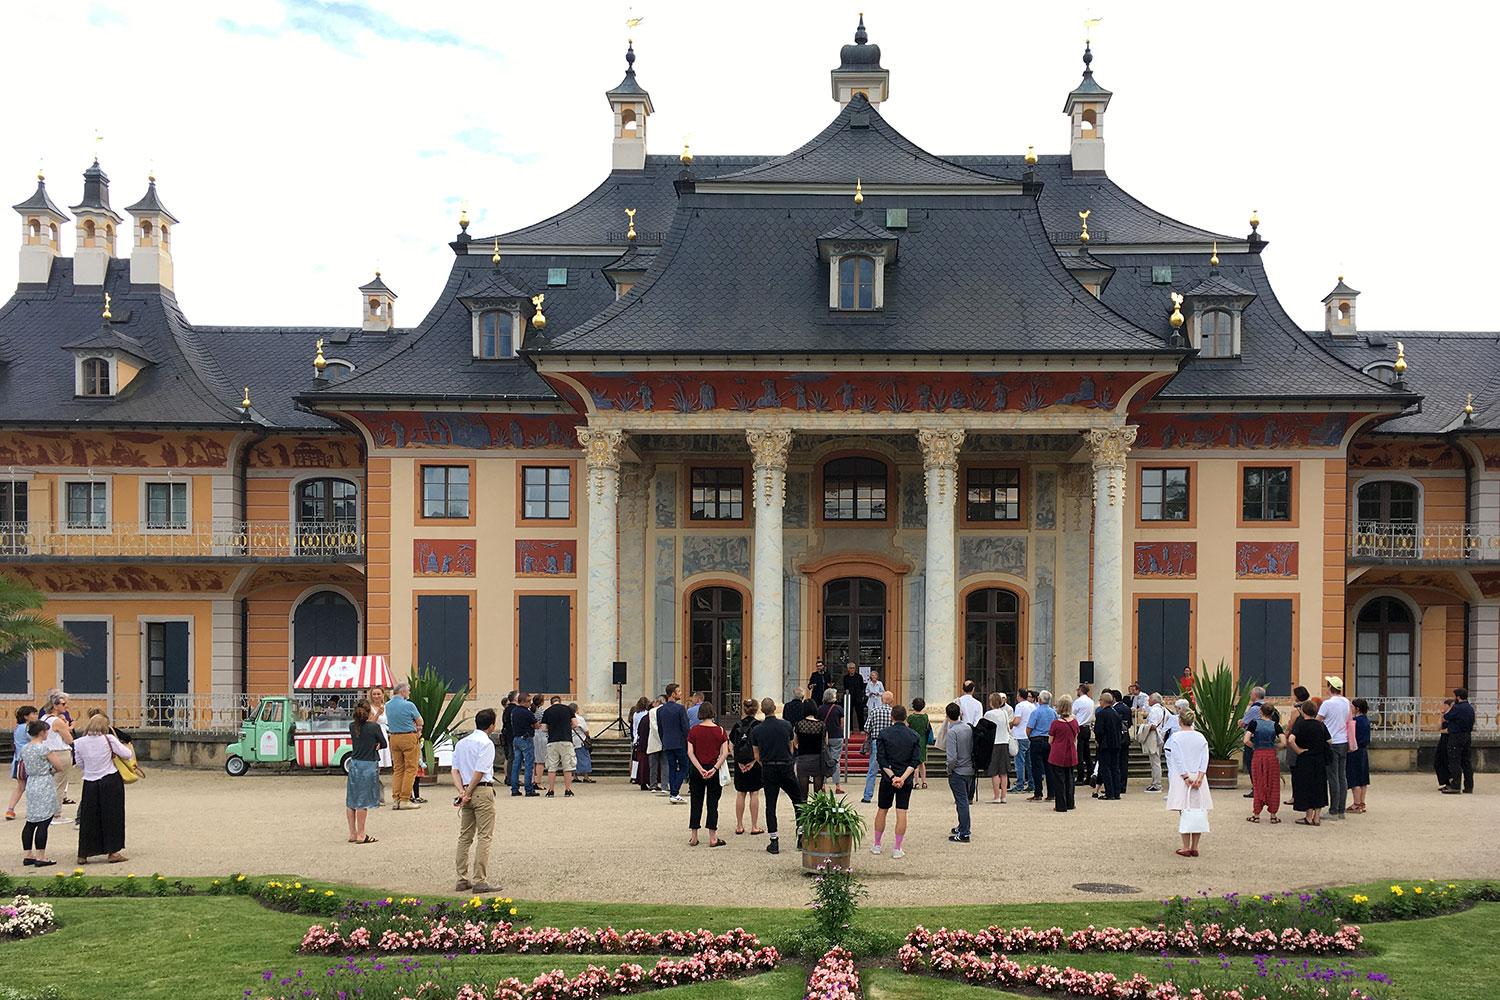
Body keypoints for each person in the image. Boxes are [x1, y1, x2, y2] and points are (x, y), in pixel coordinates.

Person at [72, 714, 133, 864]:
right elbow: (127, 754)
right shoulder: (109, 739)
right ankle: (113, 851)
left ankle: (84, 853)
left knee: (89, 817)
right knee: (113, 816)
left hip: (90, 781)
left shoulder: (78, 742)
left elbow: (79, 763)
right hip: (109, 778)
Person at [452, 707, 498, 893]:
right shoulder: (486, 743)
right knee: (484, 836)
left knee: (465, 836)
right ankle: (480, 880)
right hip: (481, 790)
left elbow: (455, 770)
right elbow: (480, 771)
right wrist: (469, 791)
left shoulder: (462, 743)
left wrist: (462, 792)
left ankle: (461, 878)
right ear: (492, 725)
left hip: (466, 789)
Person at [751, 698, 801, 854]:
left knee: (770, 805)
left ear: (762, 710)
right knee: (798, 801)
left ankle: (774, 841)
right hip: (785, 765)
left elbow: (756, 755)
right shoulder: (786, 725)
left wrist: (765, 764)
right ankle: (801, 836)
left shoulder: (757, 730)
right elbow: (792, 748)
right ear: (774, 707)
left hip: (768, 767)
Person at [871, 703, 921, 859]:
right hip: (905, 778)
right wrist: (902, 778)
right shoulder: (914, 736)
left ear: (891, 717)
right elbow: (915, 761)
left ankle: (877, 844)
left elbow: (881, 758)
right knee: (901, 812)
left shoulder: (884, 734)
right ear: (906, 717)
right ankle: (897, 847)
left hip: (888, 777)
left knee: (882, 810)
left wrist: (892, 776)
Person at [17, 720, 67, 867]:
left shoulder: (25, 749)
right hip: (44, 782)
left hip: (32, 782)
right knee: (44, 821)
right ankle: (41, 855)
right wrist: (50, 770)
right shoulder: (44, 749)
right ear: (41, 732)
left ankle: (28, 854)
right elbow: (59, 766)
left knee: (31, 821)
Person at [1165, 707, 1211, 856]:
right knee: (1196, 810)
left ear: (1179, 720)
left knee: (1185, 810)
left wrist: (1185, 777)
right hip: (1198, 775)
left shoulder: (1176, 737)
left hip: (1183, 776)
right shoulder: (1201, 737)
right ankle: (1195, 846)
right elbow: (1205, 758)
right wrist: (1200, 776)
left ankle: (1186, 846)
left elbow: (1177, 758)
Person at [686, 701, 730, 847]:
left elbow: (690, 753)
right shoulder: (721, 731)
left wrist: (699, 768)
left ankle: (694, 836)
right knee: (713, 803)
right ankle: (712, 837)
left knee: (696, 802)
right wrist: (715, 768)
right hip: (713, 769)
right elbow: (725, 753)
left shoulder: (694, 731)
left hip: (697, 770)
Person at [344, 698, 385, 843]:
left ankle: (353, 833)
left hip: (355, 764)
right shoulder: (374, 727)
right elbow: (384, 743)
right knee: (363, 801)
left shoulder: (351, 726)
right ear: (368, 713)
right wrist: (378, 743)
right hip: (368, 764)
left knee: (351, 800)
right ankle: (362, 834)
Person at [1288, 700, 1329, 825]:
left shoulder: (1300, 725)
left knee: (1307, 786)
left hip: (1305, 758)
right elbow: (1330, 741)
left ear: (1302, 711)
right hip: (1319, 759)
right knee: (1319, 786)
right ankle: (1317, 817)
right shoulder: (1320, 725)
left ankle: (1308, 816)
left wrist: (1299, 750)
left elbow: (1291, 739)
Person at [1317, 677, 1352, 819]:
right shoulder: (1346, 702)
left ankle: (1333, 810)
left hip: (1331, 742)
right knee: (1342, 776)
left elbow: (1318, 721)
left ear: (1330, 687)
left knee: (1332, 777)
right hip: (1343, 740)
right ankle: (1341, 809)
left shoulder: (1327, 704)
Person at [385, 682, 423, 811]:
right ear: (402, 692)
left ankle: (396, 798)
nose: (409, 693)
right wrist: (418, 729)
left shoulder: (388, 705)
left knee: (398, 769)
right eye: (408, 690)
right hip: (408, 736)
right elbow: (420, 721)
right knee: (411, 768)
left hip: (394, 737)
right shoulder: (409, 705)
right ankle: (405, 799)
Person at [1244, 701, 1285, 823]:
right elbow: (1284, 742)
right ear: (1272, 713)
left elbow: (1246, 740)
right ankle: (1273, 815)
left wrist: (1254, 746)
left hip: (1258, 754)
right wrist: (1276, 747)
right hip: (1271, 755)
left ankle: (1256, 814)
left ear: (1260, 711)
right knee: (1272, 784)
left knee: (1258, 783)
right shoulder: (1275, 725)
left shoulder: (1254, 724)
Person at [729, 699, 764, 835]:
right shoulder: (758, 726)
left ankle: (739, 825)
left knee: (740, 793)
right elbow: (760, 746)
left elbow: (730, 744)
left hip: (740, 762)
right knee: (754, 792)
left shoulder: (737, 725)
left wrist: (737, 759)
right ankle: (754, 825)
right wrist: (755, 761)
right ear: (756, 709)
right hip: (753, 762)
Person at [39, 694, 75, 821]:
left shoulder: (44, 718)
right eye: (63, 704)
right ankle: (56, 813)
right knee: (59, 784)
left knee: (49, 783)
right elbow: (69, 739)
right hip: (60, 752)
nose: (66, 706)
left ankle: (46, 810)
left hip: (47, 751)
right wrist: (68, 727)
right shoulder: (57, 721)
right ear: (55, 706)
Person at [944, 702, 975, 842]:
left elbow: (951, 757)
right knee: (963, 800)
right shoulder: (968, 728)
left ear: (947, 715)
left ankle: (964, 832)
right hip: (970, 768)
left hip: (958, 770)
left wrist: (949, 770)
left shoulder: (952, 732)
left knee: (961, 801)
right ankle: (962, 826)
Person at [656, 685, 691, 803]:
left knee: (672, 768)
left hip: (667, 742)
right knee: (684, 766)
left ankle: (673, 793)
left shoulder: (660, 710)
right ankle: (675, 792)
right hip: (680, 742)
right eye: (678, 691)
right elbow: (685, 727)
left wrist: (663, 739)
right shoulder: (680, 709)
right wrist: (689, 741)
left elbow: (660, 729)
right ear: (673, 694)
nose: (680, 693)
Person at [1047, 695, 1080, 813]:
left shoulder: (1055, 723)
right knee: (1069, 779)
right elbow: (1075, 738)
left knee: (1059, 780)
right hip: (1070, 752)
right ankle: (1070, 802)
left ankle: (1061, 805)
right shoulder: (1075, 722)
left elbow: (1050, 740)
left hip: (1057, 753)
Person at [1441, 687, 1475, 795]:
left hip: (1456, 736)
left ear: (1458, 697)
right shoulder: (1470, 708)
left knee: (1454, 761)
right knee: (1466, 762)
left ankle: (1456, 786)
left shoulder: (1458, 708)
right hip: (1467, 735)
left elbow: (1447, 716)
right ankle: (1469, 786)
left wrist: (1450, 709)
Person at [861, 691, 894, 802]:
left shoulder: (874, 711)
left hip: (877, 742)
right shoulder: (892, 712)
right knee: (889, 770)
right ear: (892, 701)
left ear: (881, 699)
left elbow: (866, 728)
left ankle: (867, 796)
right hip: (890, 743)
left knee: (872, 771)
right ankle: (888, 796)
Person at [542, 697, 578, 797]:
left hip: (552, 741)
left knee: (552, 767)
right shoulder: (568, 709)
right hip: (566, 740)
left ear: (551, 702)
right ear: (560, 701)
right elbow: (575, 724)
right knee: (567, 766)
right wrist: (567, 727)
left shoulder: (547, 711)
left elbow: (544, 728)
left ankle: (551, 790)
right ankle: (567, 789)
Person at [1093, 691, 1125, 800]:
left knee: (1105, 768)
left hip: (1105, 745)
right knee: (1115, 768)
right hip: (1116, 744)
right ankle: (1116, 792)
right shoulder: (1115, 713)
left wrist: (1098, 741)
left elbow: (1099, 730)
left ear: (1103, 701)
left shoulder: (1102, 714)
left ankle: (1109, 792)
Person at [8, 705, 38, 821]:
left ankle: (10, 809)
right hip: (27, 760)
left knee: (20, 787)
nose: (36, 716)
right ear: (26, 716)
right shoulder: (28, 728)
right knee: (31, 786)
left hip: (17, 760)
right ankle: (31, 810)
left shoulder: (17, 728)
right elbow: (35, 739)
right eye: (33, 714)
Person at [983, 693, 1013, 804]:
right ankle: (1003, 795)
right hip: (1004, 741)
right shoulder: (1004, 712)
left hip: (994, 742)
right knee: (1003, 771)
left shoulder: (989, 714)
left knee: (994, 771)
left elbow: (985, 728)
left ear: (991, 703)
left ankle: (996, 796)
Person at [1026, 690, 1056, 802]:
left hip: (1037, 740)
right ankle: (1051, 793)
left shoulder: (1036, 712)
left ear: (1039, 700)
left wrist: (1030, 737)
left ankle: (1038, 793)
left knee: (1037, 768)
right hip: (1049, 740)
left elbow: (1029, 728)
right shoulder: (1053, 712)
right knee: (1049, 768)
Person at [792, 699, 827, 797]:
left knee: (803, 794)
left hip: (803, 759)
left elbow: (795, 743)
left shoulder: (798, 725)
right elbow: (825, 742)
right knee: (818, 794)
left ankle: (804, 812)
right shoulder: (821, 725)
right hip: (818, 759)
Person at [507, 693, 539, 797]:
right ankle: (528, 789)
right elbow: (536, 725)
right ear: (523, 702)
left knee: (516, 765)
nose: (530, 703)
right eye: (528, 701)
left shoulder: (514, 711)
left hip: (516, 738)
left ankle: (514, 789)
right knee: (529, 764)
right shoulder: (527, 712)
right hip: (526, 738)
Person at [817, 688, 846, 794]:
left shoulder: (820, 709)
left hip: (824, 736)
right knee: (835, 761)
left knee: (823, 760)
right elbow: (842, 723)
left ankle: (823, 785)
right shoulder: (838, 709)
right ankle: (837, 786)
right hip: (836, 736)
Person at [367, 686, 392, 807]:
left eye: (378, 694)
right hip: (374, 735)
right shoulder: (370, 708)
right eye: (374, 694)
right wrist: (378, 714)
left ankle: (377, 794)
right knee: (375, 766)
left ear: (383, 695)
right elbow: (370, 722)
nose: (376, 696)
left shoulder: (387, 707)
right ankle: (373, 795)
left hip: (384, 735)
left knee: (380, 767)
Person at [1240, 686, 1267, 792]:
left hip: (1252, 739)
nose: (1250, 695)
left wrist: (1239, 722)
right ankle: (1262, 787)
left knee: (1252, 763)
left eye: (1251, 693)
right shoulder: (1266, 706)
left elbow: (1243, 723)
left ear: (1255, 695)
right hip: (1264, 738)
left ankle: (1256, 788)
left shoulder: (1254, 708)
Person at [1346, 698, 1370, 813]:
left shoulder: (1355, 721)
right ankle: (1361, 802)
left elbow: (1351, 736)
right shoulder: (1366, 720)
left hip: (1355, 750)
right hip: (1363, 750)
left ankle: (1356, 803)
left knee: (1354, 777)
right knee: (1363, 778)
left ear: (1357, 708)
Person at [1010, 690, 1034, 794]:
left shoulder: (1019, 706)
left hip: (1020, 735)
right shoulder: (1032, 706)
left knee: (1019, 761)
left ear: (1019, 696)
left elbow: (1017, 721)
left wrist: (1009, 724)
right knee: (1029, 762)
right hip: (1029, 735)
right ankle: (1031, 783)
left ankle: (1019, 784)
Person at [1072, 683, 1095, 787]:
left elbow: (1073, 713)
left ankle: (1080, 777)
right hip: (1087, 728)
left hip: (1080, 727)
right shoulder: (1091, 701)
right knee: (1087, 753)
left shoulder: (1078, 701)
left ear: (1080, 691)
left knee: (1079, 753)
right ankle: (1090, 774)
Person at [1142, 693, 1166, 792]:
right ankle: (1155, 782)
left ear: (1154, 700)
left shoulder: (1154, 710)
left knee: (1155, 761)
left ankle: (1156, 784)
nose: (1148, 701)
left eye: (1150, 699)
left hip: (1154, 736)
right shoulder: (1162, 709)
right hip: (1159, 735)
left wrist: (1143, 727)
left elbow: (1153, 725)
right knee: (1156, 760)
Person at [907, 697, 932, 789]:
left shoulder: (911, 717)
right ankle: (924, 782)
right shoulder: (925, 717)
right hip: (923, 740)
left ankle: (916, 782)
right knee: (922, 762)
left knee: (914, 763)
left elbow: (906, 728)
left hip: (913, 740)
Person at [629, 695, 652, 791]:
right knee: (645, 761)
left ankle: (634, 776)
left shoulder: (635, 714)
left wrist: (635, 738)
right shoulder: (647, 714)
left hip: (636, 738)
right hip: (645, 738)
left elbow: (634, 728)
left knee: (635, 759)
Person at [1434, 696, 1455, 790]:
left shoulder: (1453, 715)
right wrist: (1441, 717)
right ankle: (1444, 781)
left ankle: (1451, 781)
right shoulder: (1445, 715)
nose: (1444, 707)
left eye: (1446, 705)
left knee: (1447, 760)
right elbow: (1438, 727)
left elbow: (1451, 729)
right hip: (1443, 739)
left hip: (1450, 739)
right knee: (1438, 759)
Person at [570, 702, 594, 782]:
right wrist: (588, 736)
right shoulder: (579, 718)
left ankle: (575, 776)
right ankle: (586, 776)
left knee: (573, 759)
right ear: (576, 710)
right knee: (584, 758)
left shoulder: (566, 717)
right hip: (580, 739)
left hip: (571, 740)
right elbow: (586, 731)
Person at [530, 694, 548, 787]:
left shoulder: (530, 711)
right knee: (540, 760)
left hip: (532, 735)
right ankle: (538, 782)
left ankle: (532, 780)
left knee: (533, 760)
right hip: (541, 734)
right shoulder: (541, 712)